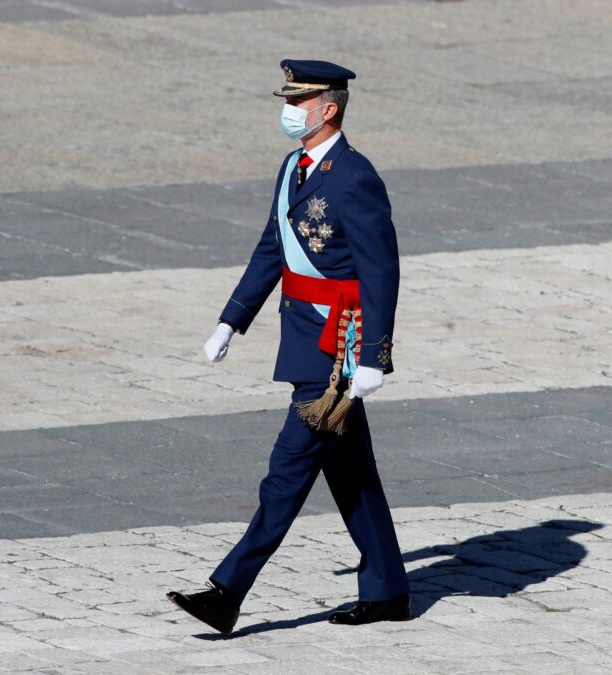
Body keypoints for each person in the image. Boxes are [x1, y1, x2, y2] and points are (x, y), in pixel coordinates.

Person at [166, 59, 409, 636]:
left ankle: (227, 591)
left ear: (329, 108)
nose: (289, 112)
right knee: (351, 474)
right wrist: (232, 319)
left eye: (299, 103)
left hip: (337, 350)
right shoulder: (294, 166)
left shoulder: (355, 176)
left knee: (287, 470)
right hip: (302, 335)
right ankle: (388, 590)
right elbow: (273, 247)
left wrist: (372, 355)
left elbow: (381, 270)